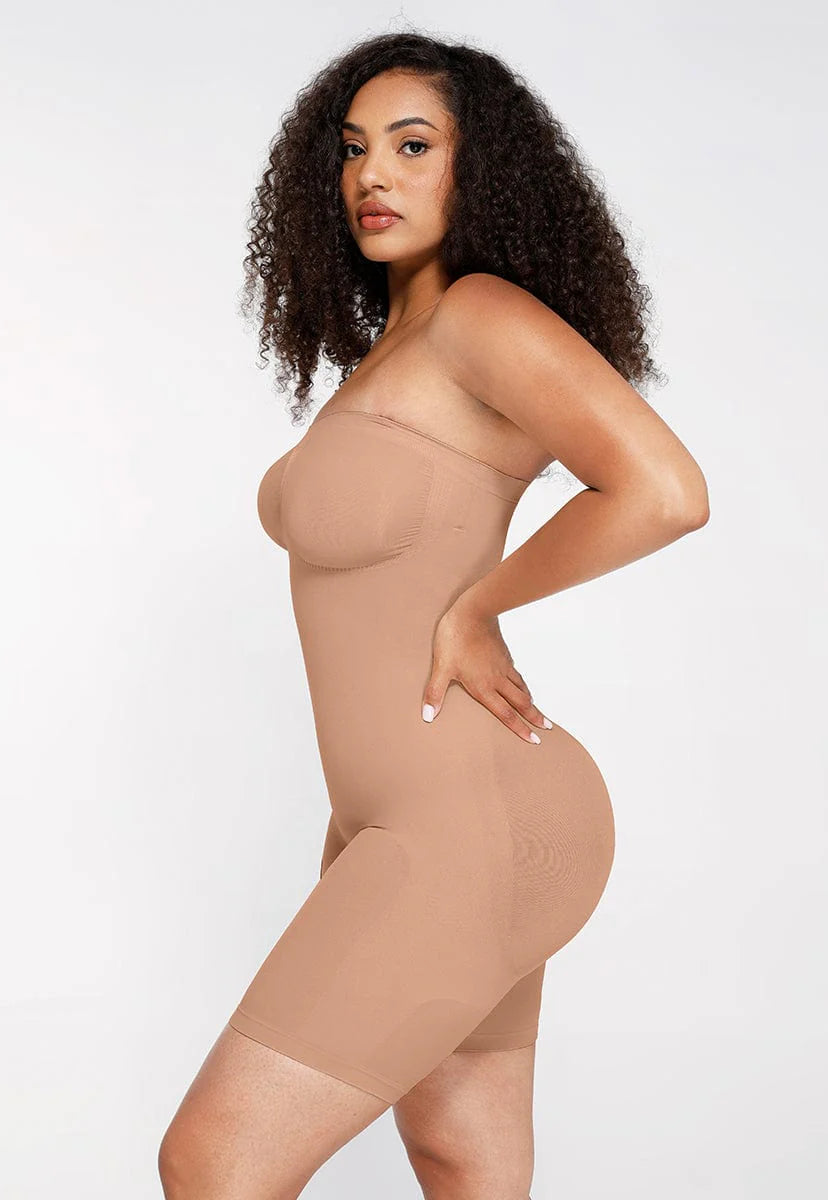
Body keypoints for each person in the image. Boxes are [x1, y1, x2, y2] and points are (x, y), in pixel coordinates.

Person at [159, 30, 709, 1200]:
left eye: (414, 146)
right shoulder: (389, 352)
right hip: (396, 822)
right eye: (354, 148)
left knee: (213, 1164)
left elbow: (665, 491)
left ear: (481, 167)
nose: (373, 174)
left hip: (469, 823)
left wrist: (483, 603)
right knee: (461, 1157)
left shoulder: (480, 316)